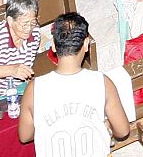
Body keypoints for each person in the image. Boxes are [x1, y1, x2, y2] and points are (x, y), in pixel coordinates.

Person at [19, 12, 130, 154]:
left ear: (53, 46)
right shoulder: (102, 82)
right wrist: (105, 124)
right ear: (86, 45)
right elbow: (122, 131)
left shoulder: (34, 89)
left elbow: (25, 136)